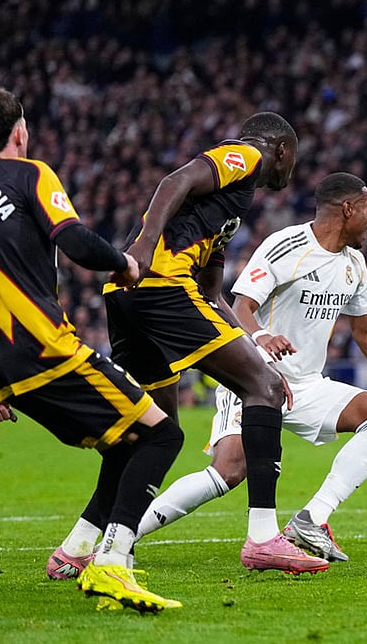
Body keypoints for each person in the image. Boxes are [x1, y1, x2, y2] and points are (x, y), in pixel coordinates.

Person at [0, 87, 184, 612]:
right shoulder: (31, 174)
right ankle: (113, 562)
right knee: (164, 434)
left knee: (124, 442)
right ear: (19, 131)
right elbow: (73, 241)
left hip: (8, 371)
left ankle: (75, 550)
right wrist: (124, 262)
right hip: (49, 352)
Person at [57, 109, 326, 574]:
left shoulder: (227, 209)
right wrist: (142, 246)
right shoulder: (245, 155)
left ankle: (79, 548)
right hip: (158, 284)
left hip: (128, 298)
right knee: (262, 389)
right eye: (293, 158)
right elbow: (175, 180)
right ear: (281, 149)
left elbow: (211, 295)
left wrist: (254, 348)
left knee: (153, 429)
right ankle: (264, 538)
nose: (290, 170)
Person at [135, 172, 367, 561]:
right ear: (347, 209)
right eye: (366, 208)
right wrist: (262, 341)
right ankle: (126, 532)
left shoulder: (354, 264)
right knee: (229, 472)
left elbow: (366, 332)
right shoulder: (286, 245)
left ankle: (311, 520)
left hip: (307, 385)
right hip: (251, 378)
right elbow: (239, 305)